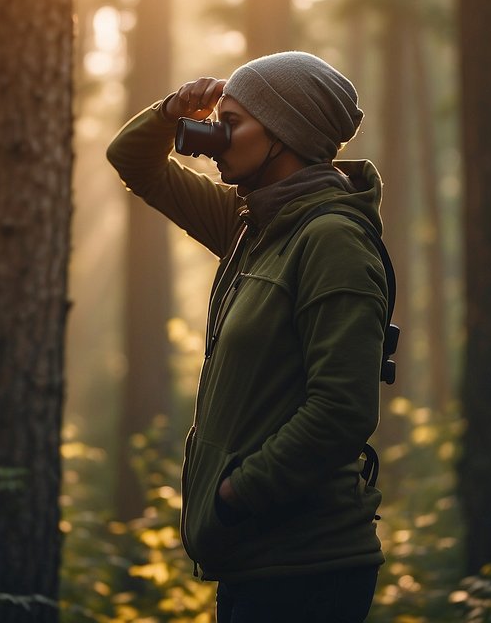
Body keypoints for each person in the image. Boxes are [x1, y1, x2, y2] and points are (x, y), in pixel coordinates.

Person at [106, 51, 387, 622]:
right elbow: (133, 161)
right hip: (254, 557)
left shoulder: (331, 241)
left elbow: (342, 409)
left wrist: (237, 495)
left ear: (283, 135)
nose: (213, 136)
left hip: (307, 568)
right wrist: (171, 111)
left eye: (230, 122)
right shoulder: (250, 225)